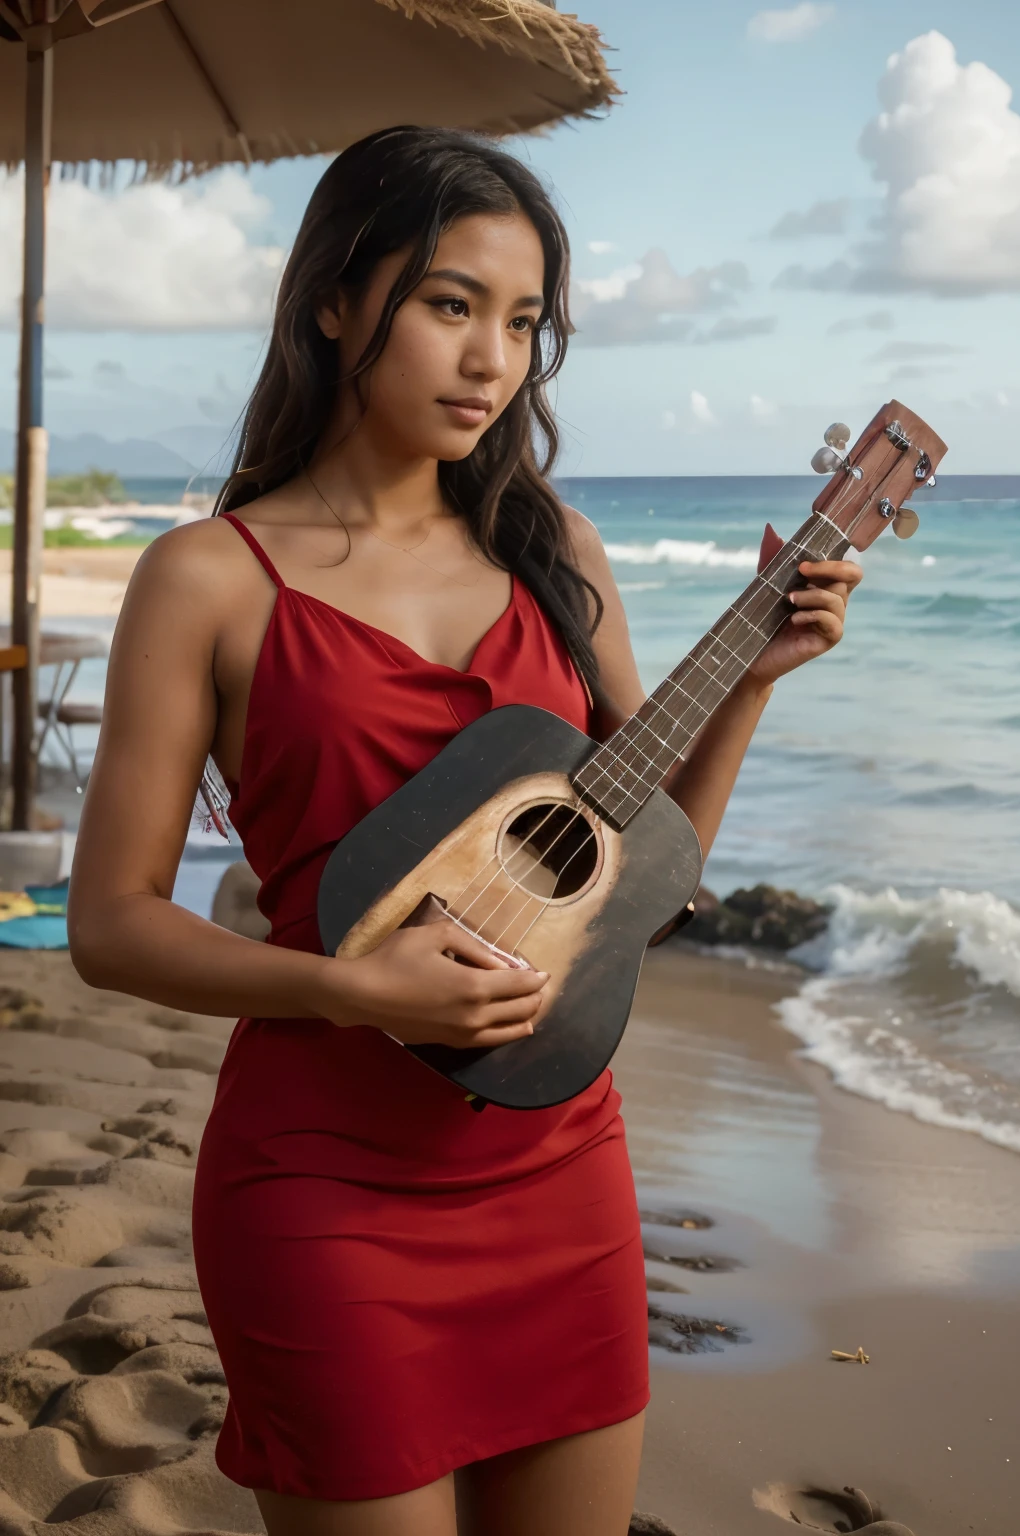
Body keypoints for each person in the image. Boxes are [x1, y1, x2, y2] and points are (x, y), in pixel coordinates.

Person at [68, 126, 861, 1536]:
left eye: (522, 321)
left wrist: (746, 682)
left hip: (560, 1168)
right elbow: (111, 924)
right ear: (333, 297)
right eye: (450, 304)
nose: (492, 359)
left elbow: (647, 882)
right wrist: (349, 987)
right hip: (323, 1192)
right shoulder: (207, 579)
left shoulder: (554, 547)